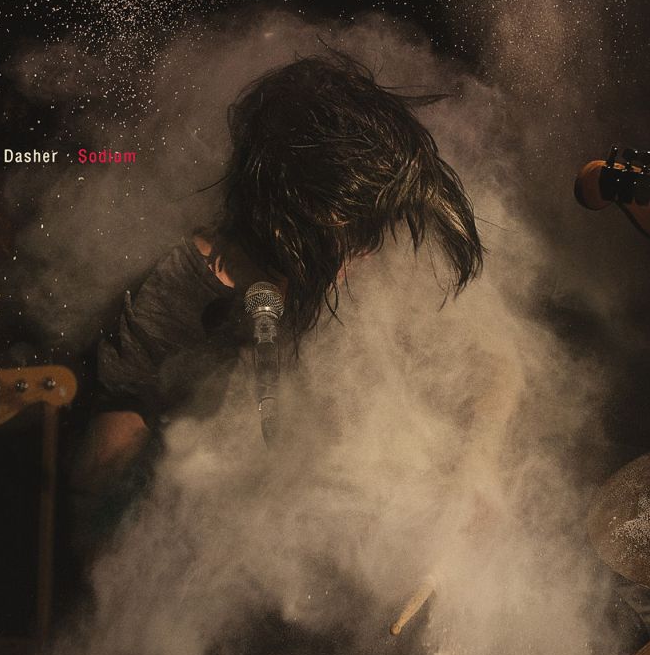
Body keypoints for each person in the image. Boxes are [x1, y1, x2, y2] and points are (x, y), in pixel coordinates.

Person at [70, 50, 483, 551]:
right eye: (359, 234)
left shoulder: (357, 283)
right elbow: (99, 489)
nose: (372, 252)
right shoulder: (176, 296)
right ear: (300, 224)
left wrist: (477, 470)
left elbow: (490, 370)